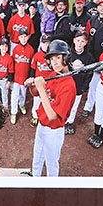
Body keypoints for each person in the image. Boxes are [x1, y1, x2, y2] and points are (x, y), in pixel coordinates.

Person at [26, 39, 76, 177]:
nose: (54, 62)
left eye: (58, 58)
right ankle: (35, 181)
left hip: (54, 131)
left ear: (66, 57)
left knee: (51, 165)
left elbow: (52, 115)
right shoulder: (53, 74)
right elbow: (36, 93)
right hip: (41, 126)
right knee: (37, 159)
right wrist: (32, 86)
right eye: (52, 59)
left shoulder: (69, 86)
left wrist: (41, 88)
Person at [64, 29, 96, 135]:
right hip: (67, 86)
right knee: (65, 103)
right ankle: (63, 120)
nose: (80, 43)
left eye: (82, 41)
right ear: (74, 40)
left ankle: (70, 122)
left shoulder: (88, 57)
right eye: (78, 40)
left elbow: (89, 74)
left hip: (78, 86)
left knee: (74, 106)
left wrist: (84, 87)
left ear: (86, 42)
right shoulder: (68, 54)